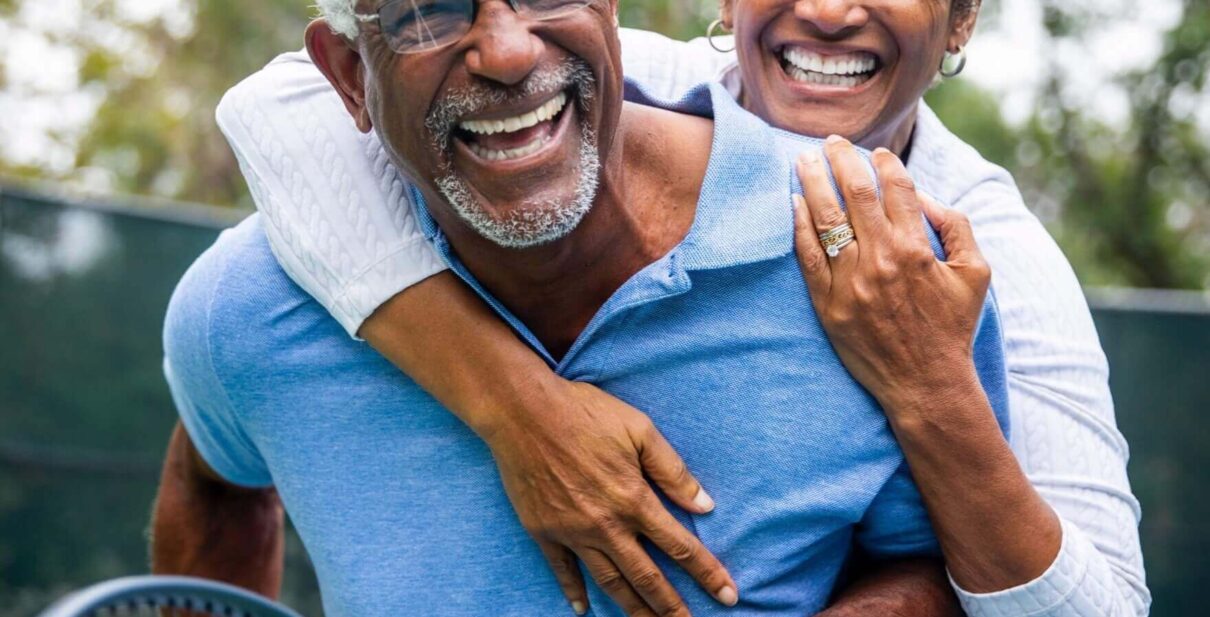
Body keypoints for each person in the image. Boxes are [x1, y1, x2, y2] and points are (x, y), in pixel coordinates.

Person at [211, 0, 1150, 615]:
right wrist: (518, 405)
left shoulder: (982, 253)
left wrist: (931, 390)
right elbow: (273, 108)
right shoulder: (588, 69)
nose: (825, 9)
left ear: (960, 23)